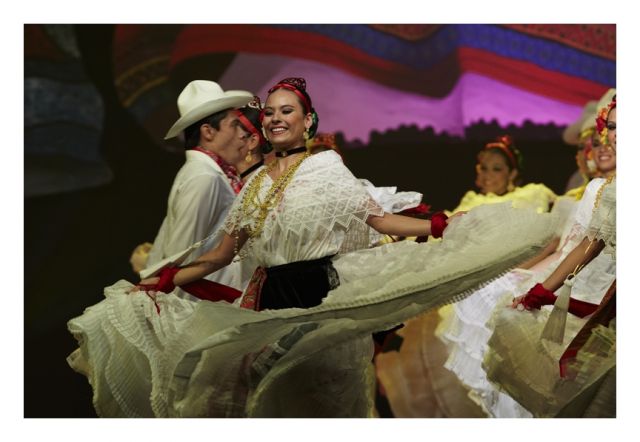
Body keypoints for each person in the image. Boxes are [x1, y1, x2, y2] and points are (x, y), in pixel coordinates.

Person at [67, 77, 559, 418]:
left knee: (323, 399)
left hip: (321, 295)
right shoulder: (256, 184)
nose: (277, 119)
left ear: (307, 120)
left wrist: (440, 226)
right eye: (271, 112)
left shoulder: (325, 169)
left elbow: (377, 219)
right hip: (269, 303)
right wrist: (160, 282)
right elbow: (219, 254)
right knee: (267, 403)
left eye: (288, 112)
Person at [483, 94, 617, 417]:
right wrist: (542, 290)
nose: (618, 134)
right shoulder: (610, 189)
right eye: (612, 127)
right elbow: (588, 244)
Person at [132, 80, 253, 293]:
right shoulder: (204, 176)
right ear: (208, 132)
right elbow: (179, 254)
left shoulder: (210, 172)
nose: (243, 133)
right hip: (199, 305)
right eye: (234, 125)